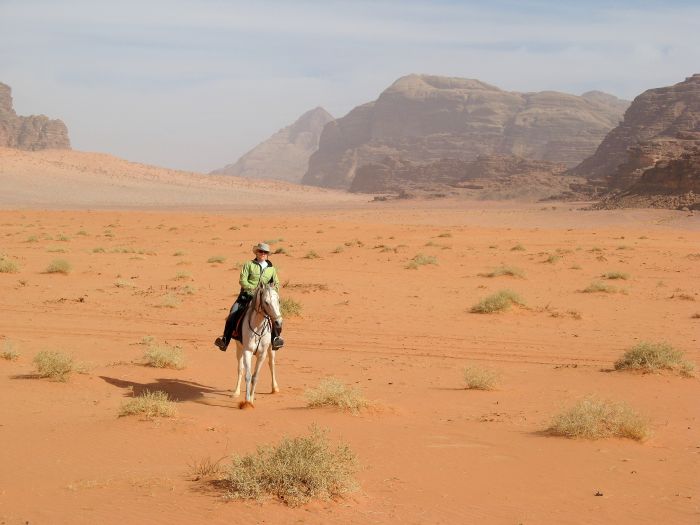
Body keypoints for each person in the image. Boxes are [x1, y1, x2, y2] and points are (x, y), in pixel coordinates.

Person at [214, 242, 284, 351]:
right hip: (246, 297)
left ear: (268, 254)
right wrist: (253, 288)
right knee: (233, 312)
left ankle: (276, 338)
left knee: (276, 314)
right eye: (261, 251)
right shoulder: (249, 265)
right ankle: (225, 340)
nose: (263, 254)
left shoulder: (271, 269)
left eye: (265, 252)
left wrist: (270, 291)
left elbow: (276, 284)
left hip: (264, 298)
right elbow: (243, 281)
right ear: (256, 252)